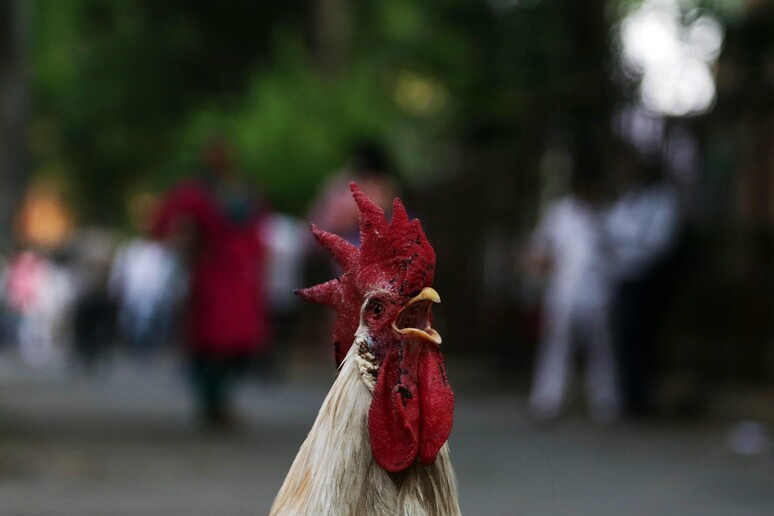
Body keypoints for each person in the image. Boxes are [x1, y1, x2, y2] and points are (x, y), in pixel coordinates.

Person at [154, 138, 270, 429]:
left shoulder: (242, 190)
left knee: (240, 341)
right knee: (210, 342)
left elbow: (258, 229)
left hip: (239, 274)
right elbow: (169, 225)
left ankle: (218, 399)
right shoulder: (195, 193)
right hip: (211, 274)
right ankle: (211, 402)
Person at [526, 172, 620, 424]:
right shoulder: (561, 213)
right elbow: (539, 250)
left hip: (600, 295)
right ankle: (547, 401)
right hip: (563, 294)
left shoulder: (609, 214)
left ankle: (604, 403)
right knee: (556, 349)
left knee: (601, 351)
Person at [607, 148, 680, 416]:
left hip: (648, 281)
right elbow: (609, 232)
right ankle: (624, 397)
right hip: (621, 279)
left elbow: (658, 244)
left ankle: (640, 400)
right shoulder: (627, 200)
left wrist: (627, 245)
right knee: (621, 339)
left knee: (642, 341)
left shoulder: (662, 201)